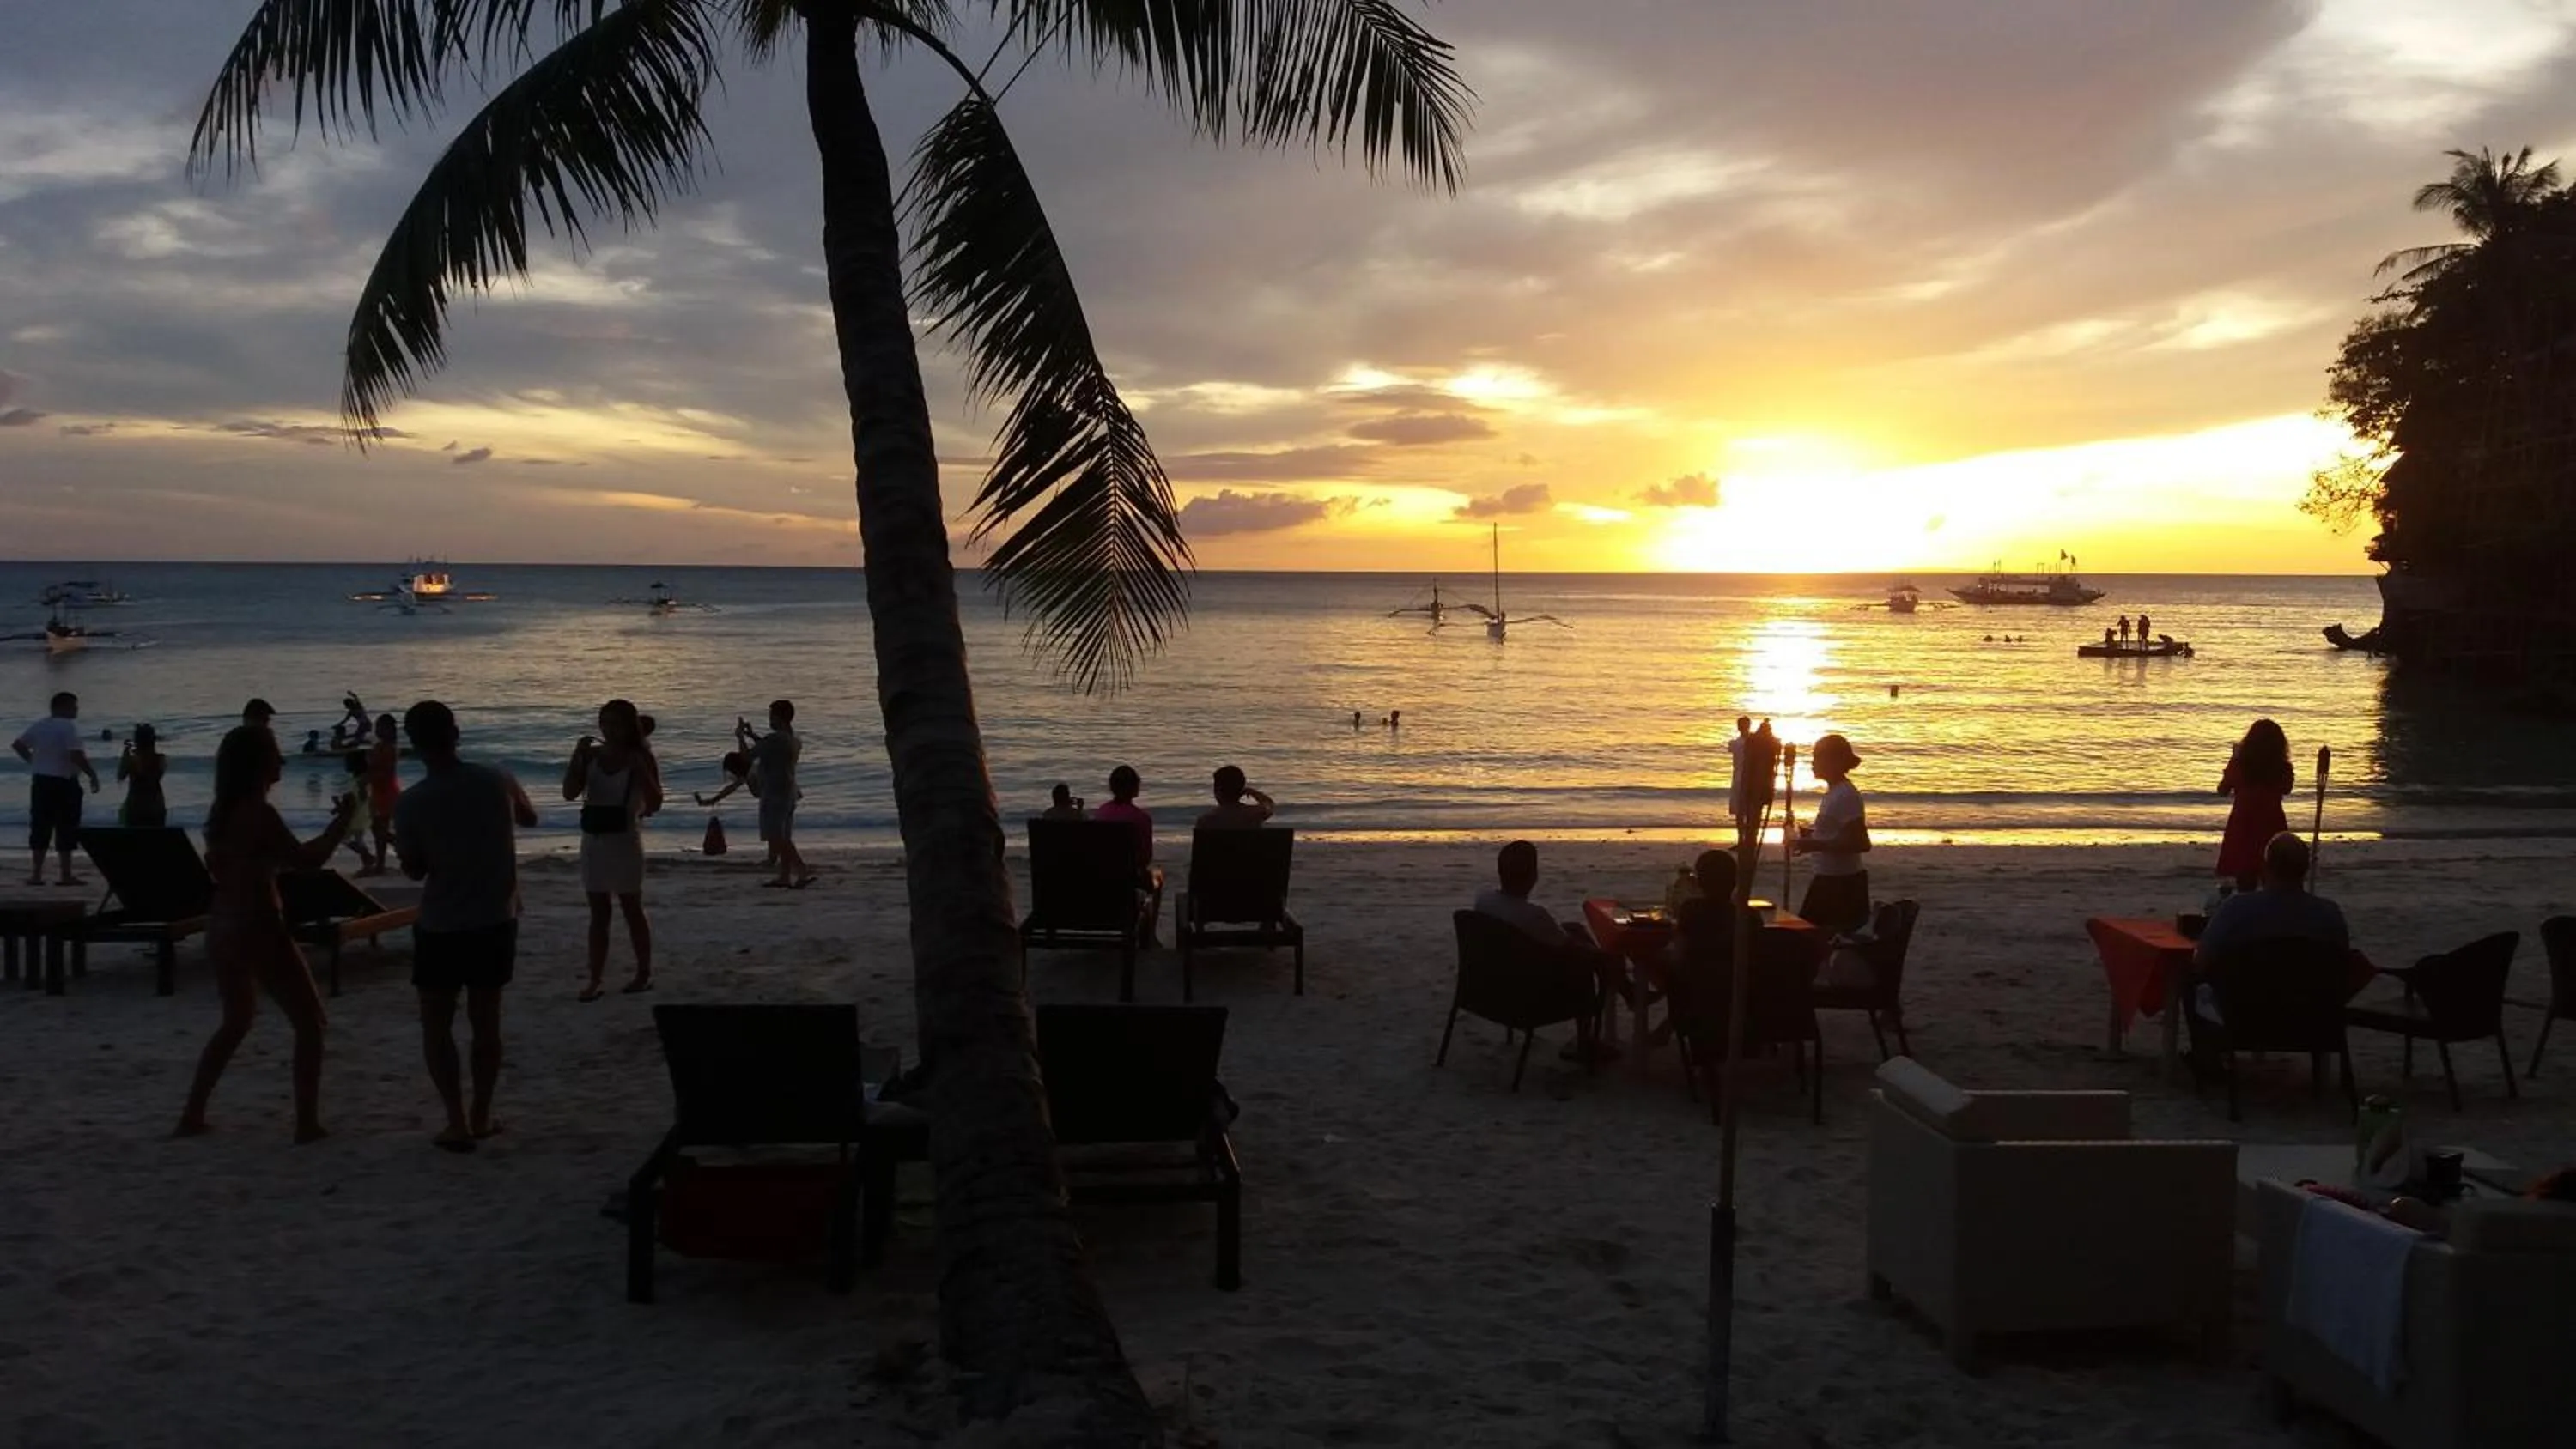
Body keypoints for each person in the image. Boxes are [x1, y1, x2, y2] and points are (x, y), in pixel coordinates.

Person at [177, 725, 355, 1142]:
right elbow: (306, 860)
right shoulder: (259, 814)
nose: (283, 762)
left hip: (222, 923)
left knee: (236, 1021)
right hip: (257, 922)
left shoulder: (220, 815)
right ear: (258, 763)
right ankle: (307, 1123)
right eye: (276, 755)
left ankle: (192, 1114)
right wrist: (342, 824)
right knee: (311, 1023)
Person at [394, 700, 539, 1151]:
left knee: (436, 1024)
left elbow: (415, 870)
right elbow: (530, 818)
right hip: (494, 916)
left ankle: (455, 1119)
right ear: (456, 734)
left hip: (441, 921)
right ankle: (481, 1114)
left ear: (414, 745)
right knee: (486, 1022)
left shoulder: (412, 801)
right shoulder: (496, 779)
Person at [1473, 840, 1621, 1059]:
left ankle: (1627, 991)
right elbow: (1569, 948)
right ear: (1533, 876)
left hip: (1494, 985)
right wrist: (1601, 954)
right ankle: (1585, 1041)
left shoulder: (1483, 900)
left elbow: (1557, 939)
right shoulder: (1533, 915)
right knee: (1593, 962)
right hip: (1531, 994)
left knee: (1574, 929)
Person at [566, 699, 662, 999]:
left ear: (628, 726)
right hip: (594, 840)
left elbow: (656, 803)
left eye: (615, 723)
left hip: (625, 839)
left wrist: (640, 771)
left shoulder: (640, 756)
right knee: (599, 911)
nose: (608, 729)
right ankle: (595, 978)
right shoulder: (592, 755)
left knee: (631, 907)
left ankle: (644, 972)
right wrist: (577, 757)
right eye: (604, 722)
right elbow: (569, 792)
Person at [2193, 832, 2347, 970]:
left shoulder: (2235, 910)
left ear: (2266, 868)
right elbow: (2342, 966)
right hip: (2311, 998)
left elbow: (2201, 960)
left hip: (2246, 999)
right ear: (2306, 869)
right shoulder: (2329, 914)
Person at [14, 691, 99, 886]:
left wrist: (34, 762)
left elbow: (18, 745)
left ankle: (36, 874)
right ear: (63, 707)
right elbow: (76, 755)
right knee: (66, 826)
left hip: (41, 781)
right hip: (63, 782)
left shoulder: (41, 725)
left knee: (40, 825)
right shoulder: (67, 727)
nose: (76, 710)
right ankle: (65, 875)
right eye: (74, 706)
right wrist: (92, 774)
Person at [1791, 733, 1870, 932]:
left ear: (1835, 761)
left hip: (1840, 884)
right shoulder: (1834, 792)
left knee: (1811, 938)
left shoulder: (1845, 795)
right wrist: (1810, 835)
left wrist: (1814, 844)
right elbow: (1837, 833)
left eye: (1818, 757)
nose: (1813, 763)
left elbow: (1860, 842)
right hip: (1829, 879)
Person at [2216, 718, 2294, 890]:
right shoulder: (2282, 768)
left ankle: (2247, 911)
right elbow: (2287, 788)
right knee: (2272, 872)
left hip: (2244, 822)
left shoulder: (2239, 765)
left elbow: (2222, 790)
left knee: (2245, 877)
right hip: (2271, 820)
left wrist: (2233, 759)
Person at [739, 700, 810, 888]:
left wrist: (740, 737)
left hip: (774, 792)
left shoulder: (775, 739)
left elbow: (747, 756)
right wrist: (752, 735)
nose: (770, 719)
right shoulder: (792, 738)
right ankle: (785, 876)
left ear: (778, 717)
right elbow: (768, 748)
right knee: (784, 836)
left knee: (776, 837)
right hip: (790, 791)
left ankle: (801, 869)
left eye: (771, 716)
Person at [1092, 764, 1165, 945]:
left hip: (1102, 876)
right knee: (1158, 876)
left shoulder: (1101, 813)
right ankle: (1150, 934)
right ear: (1135, 787)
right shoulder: (1141, 818)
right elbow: (1145, 858)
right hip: (1130, 878)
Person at [364, 712, 401, 874]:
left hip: (386, 791)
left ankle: (402, 847)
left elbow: (385, 771)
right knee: (377, 828)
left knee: (380, 829)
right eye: (376, 726)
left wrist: (367, 774)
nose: (376, 729)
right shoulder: (379, 746)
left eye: (380, 726)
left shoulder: (389, 748)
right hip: (378, 790)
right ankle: (381, 864)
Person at [336, 751, 381, 873]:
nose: (345, 765)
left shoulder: (361, 780)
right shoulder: (359, 779)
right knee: (358, 840)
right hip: (361, 814)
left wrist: (346, 800)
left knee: (345, 838)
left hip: (357, 815)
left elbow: (362, 797)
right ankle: (367, 862)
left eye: (347, 762)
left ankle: (368, 858)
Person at [117, 723, 167, 828]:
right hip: (156, 805)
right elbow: (154, 776)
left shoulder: (133, 759)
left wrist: (126, 752)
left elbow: (120, 776)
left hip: (135, 805)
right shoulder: (160, 759)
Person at [1196, 765, 1275, 829]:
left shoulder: (1206, 821)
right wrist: (1252, 792)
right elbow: (1269, 805)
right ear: (1241, 791)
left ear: (1217, 791)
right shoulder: (1255, 814)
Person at [1724, 715, 1753, 831]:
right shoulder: (1736, 743)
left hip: (1747, 779)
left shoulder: (1738, 743)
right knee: (1741, 811)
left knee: (1746, 810)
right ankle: (1742, 837)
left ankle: (1745, 837)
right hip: (1739, 778)